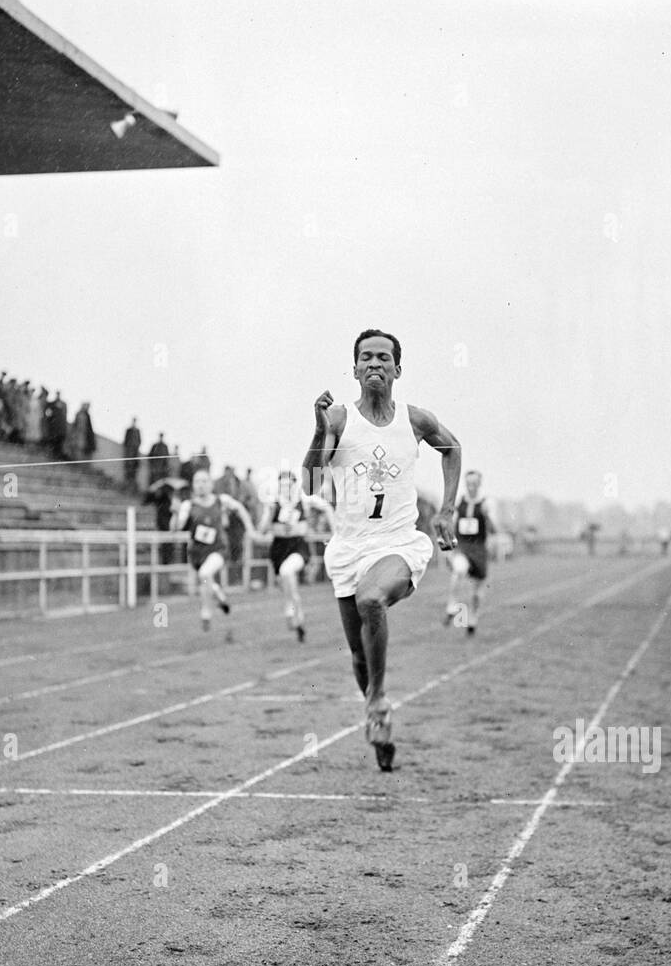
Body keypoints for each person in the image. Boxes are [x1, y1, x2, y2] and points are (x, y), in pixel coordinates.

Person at [304, 328, 461, 772]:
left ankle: (376, 700)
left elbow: (452, 448)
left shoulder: (414, 420)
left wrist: (447, 510)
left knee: (371, 598)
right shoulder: (337, 420)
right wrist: (318, 431)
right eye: (366, 358)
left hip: (398, 544)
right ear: (354, 369)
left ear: (397, 368)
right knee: (358, 655)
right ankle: (379, 721)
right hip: (349, 548)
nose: (374, 364)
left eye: (383, 358)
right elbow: (311, 484)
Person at [172, 468, 256, 631]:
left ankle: (206, 612)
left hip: (218, 550)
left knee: (205, 574)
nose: (201, 485)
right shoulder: (188, 505)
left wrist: (250, 528)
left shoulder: (221, 500)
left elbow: (239, 508)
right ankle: (219, 595)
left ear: (211, 484)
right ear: (193, 486)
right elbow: (177, 528)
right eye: (197, 482)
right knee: (206, 578)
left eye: (204, 481)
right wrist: (175, 514)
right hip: (197, 554)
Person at [258, 469, 334, 642]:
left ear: (295, 484)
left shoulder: (305, 500)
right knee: (286, 585)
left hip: (298, 546)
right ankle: (296, 615)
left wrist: (336, 533)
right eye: (282, 484)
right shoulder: (273, 503)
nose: (286, 488)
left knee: (287, 572)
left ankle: (294, 609)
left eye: (289, 484)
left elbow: (327, 507)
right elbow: (262, 530)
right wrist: (269, 514)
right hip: (278, 548)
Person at [443, 469, 495, 636]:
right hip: (463, 547)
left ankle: (472, 618)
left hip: (479, 550)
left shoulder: (486, 503)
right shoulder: (461, 503)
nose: (471, 486)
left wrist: (487, 517)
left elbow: (494, 530)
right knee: (458, 570)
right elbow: (453, 524)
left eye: (474, 483)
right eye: (468, 483)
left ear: (479, 484)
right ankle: (452, 605)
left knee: (476, 593)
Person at [123, 417, 142, 489]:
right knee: (128, 467)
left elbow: (139, 441)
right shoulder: (129, 430)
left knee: (134, 468)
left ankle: (132, 484)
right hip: (129, 452)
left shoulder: (138, 431)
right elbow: (125, 440)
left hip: (134, 453)